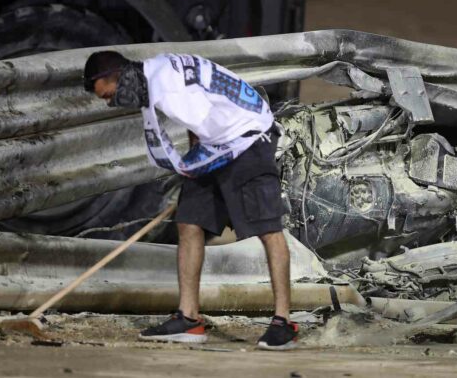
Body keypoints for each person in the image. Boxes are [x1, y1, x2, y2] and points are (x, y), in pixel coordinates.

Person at [83, 50, 298, 350]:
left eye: (110, 96)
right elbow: (199, 118)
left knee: (267, 228)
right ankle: (189, 319)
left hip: (247, 136)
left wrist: (196, 164)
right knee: (189, 221)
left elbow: (201, 118)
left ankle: (283, 322)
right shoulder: (155, 71)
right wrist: (196, 165)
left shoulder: (166, 86)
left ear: (119, 77)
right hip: (216, 141)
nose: (112, 102)